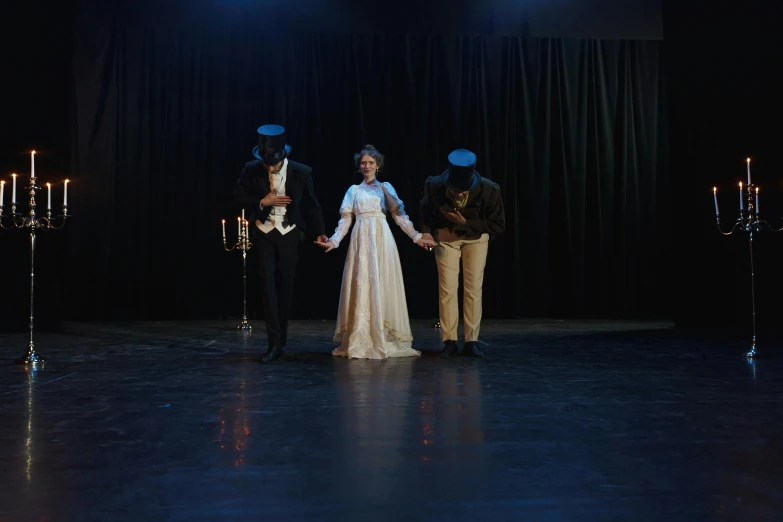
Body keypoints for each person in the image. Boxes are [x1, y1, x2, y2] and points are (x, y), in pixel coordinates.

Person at [315, 145, 436, 359]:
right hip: (361, 239)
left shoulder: (385, 188)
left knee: (381, 282)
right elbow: (345, 221)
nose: (367, 166)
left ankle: (383, 336)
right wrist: (333, 241)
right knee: (361, 282)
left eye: (371, 162)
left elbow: (399, 215)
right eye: (363, 163)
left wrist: (417, 237)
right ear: (359, 166)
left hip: (381, 239)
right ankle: (360, 337)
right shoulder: (353, 190)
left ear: (377, 165)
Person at [233, 124, 328, 363]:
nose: (269, 166)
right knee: (268, 287)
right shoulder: (251, 169)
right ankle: (273, 343)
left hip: (289, 233)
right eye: (265, 162)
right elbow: (237, 197)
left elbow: (312, 204)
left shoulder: (301, 172)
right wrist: (262, 202)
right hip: (264, 233)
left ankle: (281, 340)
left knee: (286, 287)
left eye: (272, 162)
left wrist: (320, 232)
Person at [418, 148, 505, 358]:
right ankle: (449, 340)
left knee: (473, 288)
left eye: (462, 192)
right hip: (446, 239)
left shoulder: (489, 190)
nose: (458, 194)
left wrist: (466, 223)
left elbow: (498, 225)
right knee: (447, 288)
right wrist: (426, 233)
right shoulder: (435, 185)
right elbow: (424, 211)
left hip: (475, 239)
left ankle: (471, 341)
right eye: (454, 190)